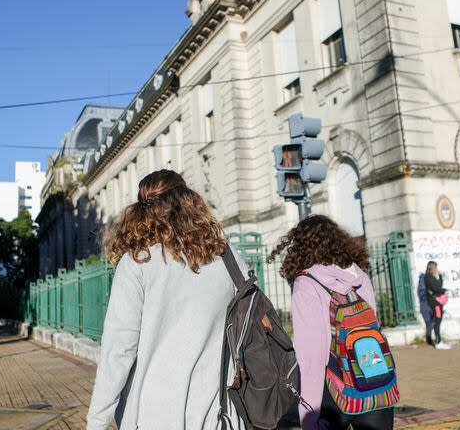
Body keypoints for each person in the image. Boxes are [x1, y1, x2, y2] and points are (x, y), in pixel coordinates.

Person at [87, 170, 246, 430]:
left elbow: (118, 352)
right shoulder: (227, 259)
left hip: (153, 414)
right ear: (189, 202)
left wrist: (96, 423)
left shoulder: (138, 263)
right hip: (219, 415)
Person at [268, 215, 394, 430]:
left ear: (300, 247)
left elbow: (311, 358)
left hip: (334, 392)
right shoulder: (360, 276)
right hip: (376, 382)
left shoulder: (307, 284)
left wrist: (309, 415)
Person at [424, 261, 450, 350]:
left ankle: (438, 341)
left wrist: (441, 277)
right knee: (437, 321)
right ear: (432, 268)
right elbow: (435, 289)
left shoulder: (431, 277)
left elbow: (439, 286)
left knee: (438, 320)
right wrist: (442, 291)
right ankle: (438, 342)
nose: (437, 269)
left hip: (437, 301)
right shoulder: (428, 277)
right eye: (436, 268)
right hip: (435, 302)